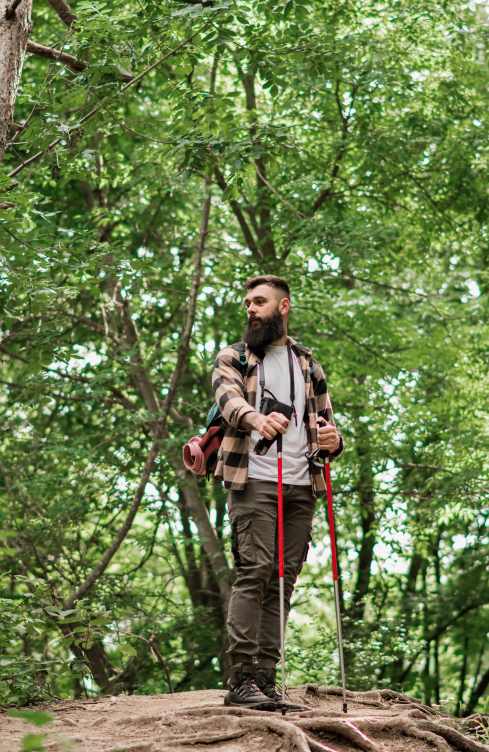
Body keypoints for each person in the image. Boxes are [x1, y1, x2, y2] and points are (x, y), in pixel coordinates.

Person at [211, 274, 343, 708]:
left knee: (283, 583)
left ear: (283, 307)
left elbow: (327, 425)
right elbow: (230, 402)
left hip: (302, 484)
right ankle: (242, 679)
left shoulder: (308, 363)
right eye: (247, 302)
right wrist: (255, 419)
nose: (250, 308)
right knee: (256, 571)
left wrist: (333, 441)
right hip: (254, 481)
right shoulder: (234, 357)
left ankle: (267, 679)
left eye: (260, 301)